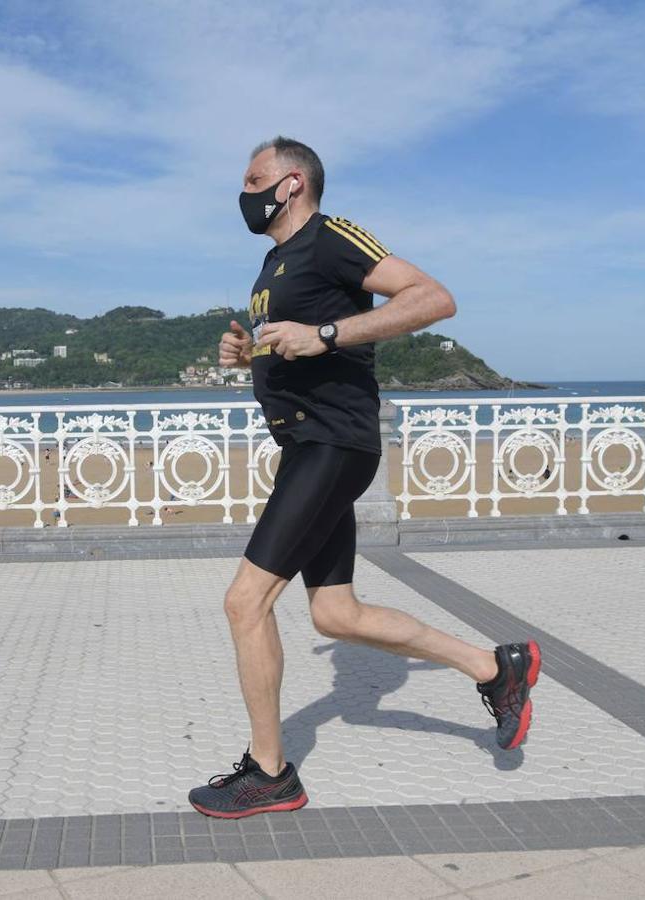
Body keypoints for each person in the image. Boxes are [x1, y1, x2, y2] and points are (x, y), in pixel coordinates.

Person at [188, 137, 541, 819]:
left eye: (254, 179)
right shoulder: (273, 264)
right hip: (305, 445)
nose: (243, 192)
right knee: (336, 614)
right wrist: (247, 355)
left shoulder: (331, 237)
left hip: (333, 444)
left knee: (245, 603)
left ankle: (270, 773)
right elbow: (293, 345)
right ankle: (496, 669)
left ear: (292, 183)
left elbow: (434, 298)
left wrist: (324, 334)